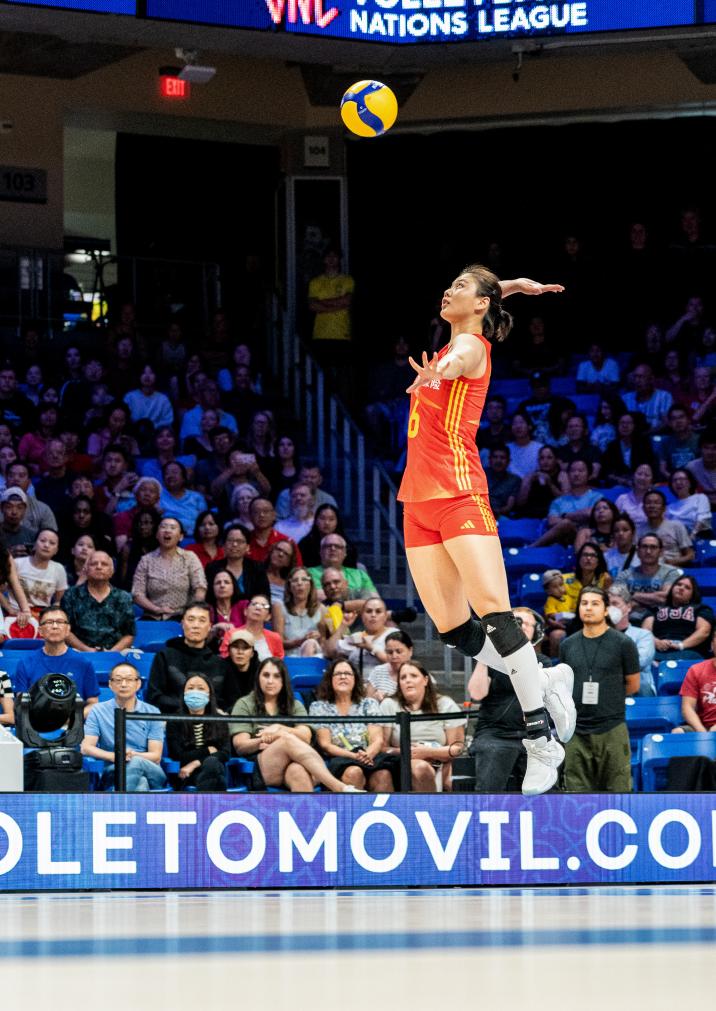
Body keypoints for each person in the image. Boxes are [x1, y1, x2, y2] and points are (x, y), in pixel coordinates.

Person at [398, 263, 574, 794]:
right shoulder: (457, 336)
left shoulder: (470, 347)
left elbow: (459, 360)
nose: (447, 289)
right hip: (417, 500)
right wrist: (514, 286)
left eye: (461, 287)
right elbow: (486, 294)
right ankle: (542, 678)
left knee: (496, 614)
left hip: (460, 494)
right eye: (450, 282)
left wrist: (439, 372)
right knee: (453, 629)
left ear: (479, 306)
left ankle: (541, 738)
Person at [229, 656, 361, 793]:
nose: (270, 681)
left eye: (276, 676)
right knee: (287, 740)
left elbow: (306, 736)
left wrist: (280, 730)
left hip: (295, 763)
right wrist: (263, 740)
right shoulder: (244, 704)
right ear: (258, 678)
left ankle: (311, 807)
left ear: (283, 680)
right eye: (266, 675)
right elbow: (240, 745)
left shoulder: (295, 704)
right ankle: (338, 787)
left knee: (298, 771)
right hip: (262, 767)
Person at [559, 587, 640, 792]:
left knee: (618, 792)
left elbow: (633, 685)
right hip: (576, 729)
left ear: (605, 610)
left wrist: (608, 698)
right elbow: (565, 684)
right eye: (584, 603)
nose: (588, 608)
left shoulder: (623, 643)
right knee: (576, 794)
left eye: (595, 604)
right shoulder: (567, 645)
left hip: (612, 727)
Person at [468, 607, 556, 791]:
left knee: (546, 789)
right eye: (515, 622)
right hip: (495, 734)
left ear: (536, 632)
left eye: (526, 624)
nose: (521, 627)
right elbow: (476, 694)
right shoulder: (490, 661)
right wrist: (485, 654)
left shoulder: (543, 661)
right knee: (489, 786)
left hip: (533, 734)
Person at [310, 659, 397, 792]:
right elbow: (326, 745)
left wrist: (367, 755)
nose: (343, 677)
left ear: (355, 679)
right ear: (330, 680)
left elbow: (377, 740)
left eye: (347, 673)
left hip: (369, 757)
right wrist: (354, 757)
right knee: (353, 772)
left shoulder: (369, 704)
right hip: (338, 759)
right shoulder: (319, 707)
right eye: (338, 674)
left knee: (383, 775)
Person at [379, 661, 466, 792]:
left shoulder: (445, 704)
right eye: (403, 677)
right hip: (400, 760)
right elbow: (382, 747)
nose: (408, 680)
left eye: (413, 676)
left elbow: (457, 748)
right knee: (420, 768)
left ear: (425, 680)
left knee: (451, 780)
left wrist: (427, 752)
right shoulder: (389, 704)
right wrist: (406, 752)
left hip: (441, 759)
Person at [81, 661, 167, 792]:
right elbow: (86, 748)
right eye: (118, 680)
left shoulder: (152, 712)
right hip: (113, 769)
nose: (123, 684)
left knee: (136, 763)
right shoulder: (98, 711)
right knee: (141, 784)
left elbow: (156, 755)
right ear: (110, 684)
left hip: (151, 771)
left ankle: (119, 799)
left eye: (129, 679)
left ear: (138, 684)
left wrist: (132, 755)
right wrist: (114, 756)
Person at [13, 605, 99, 716]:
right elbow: (21, 704)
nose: (54, 626)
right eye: (49, 622)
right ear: (40, 631)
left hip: (73, 723)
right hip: (36, 722)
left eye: (60, 622)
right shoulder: (26, 663)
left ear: (68, 630)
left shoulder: (83, 663)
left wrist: (72, 719)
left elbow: (93, 703)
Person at [146, 601, 229, 713]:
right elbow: (154, 696)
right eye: (191, 619)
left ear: (209, 626)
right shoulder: (165, 656)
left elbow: (228, 701)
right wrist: (190, 708)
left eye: (202, 620)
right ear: (182, 623)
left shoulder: (220, 663)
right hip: (172, 719)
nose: (196, 625)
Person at [132, 516, 207, 620]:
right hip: (152, 617)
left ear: (181, 536)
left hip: (182, 617)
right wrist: (157, 609)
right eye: (163, 527)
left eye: (172, 528)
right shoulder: (146, 560)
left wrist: (190, 612)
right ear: (157, 535)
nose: (167, 530)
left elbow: (200, 587)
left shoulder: (190, 557)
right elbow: (137, 594)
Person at [62, 550, 136, 652]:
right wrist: (87, 650)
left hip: (115, 653)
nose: (99, 567)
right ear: (86, 569)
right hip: (78, 652)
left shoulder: (123, 597)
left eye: (104, 564)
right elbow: (65, 629)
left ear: (112, 571)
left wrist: (110, 653)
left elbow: (129, 634)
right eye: (94, 564)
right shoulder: (71, 595)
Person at [166, 674, 230, 791]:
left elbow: (225, 753)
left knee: (212, 764)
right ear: (184, 693)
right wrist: (208, 750)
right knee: (217, 777)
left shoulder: (219, 720)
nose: (195, 692)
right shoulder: (174, 720)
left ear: (209, 694)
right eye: (190, 688)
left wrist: (195, 763)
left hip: (209, 767)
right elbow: (177, 755)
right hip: (186, 774)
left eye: (201, 688)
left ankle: (202, 800)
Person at [641, 575, 713, 662]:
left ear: (692, 594)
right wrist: (656, 642)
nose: (681, 588)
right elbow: (645, 631)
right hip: (657, 649)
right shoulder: (655, 609)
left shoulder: (701, 609)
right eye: (678, 584)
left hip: (688, 651)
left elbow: (704, 632)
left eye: (687, 587)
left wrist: (681, 645)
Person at [612, 533, 682, 620]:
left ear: (661, 552)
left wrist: (631, 595)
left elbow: (664, 597)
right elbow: (615, 597)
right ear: (638, 552)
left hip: (660, 621)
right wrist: (653, 598)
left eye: (653, 547)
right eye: (644, 547)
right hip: (629, 622)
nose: (648, 551)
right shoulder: (625, 574)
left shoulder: (671, 572)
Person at [607, 585, 657, 697]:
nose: (610, 608)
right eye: (607, 605)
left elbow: (639, 662)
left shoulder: (643, 635)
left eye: (615, 604)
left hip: (638, 689)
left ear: (628, 607)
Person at [205, 523, 270, 605]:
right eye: (230, 540)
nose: (234, 544)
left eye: (240, 541)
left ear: (247, 547)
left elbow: (264, 597)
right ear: (223, 545)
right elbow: (208, 598)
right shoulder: (212, 568)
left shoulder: (257, 568)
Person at [11, 528, 66, 615]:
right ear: (34, 544)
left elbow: (58, 601)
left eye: (52, 543)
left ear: (56, 550)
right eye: (42, 541)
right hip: (16, 614)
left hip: (42, 615)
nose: (46, 545)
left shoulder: (59, 569)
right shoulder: (17, 563)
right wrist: (10, 610)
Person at [636, 489, 694, 567]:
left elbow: (690, 555)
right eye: (648, 503)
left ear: (664, 508)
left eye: (656, 503)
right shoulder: (638, 530)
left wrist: (673, 562)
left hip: (672, 568)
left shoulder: (676, 526)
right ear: (643, 508)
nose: (652, 506)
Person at [276, 565, 326, 657]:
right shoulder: (279, 606)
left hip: (314, 655)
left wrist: (319, 638)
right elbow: (277, 642)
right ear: (289, 586)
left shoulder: (321, 609)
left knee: (311, 644)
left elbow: (324, 642)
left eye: (304, 579)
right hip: (289, 657)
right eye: (295, 580)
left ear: (310, 585)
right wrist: (301, 641)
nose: (299, 583)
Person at [307, 534, 377, 598]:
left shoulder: (360, 574)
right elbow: (316, 598)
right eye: (328, 546)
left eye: (337, 546)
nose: (333, 548)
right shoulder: (308, 573)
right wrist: (359, 594)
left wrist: (341, 602)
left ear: (345, 553)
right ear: (320, 551)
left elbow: (374, 599)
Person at [672, 631, 716, 733]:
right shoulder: (697, 670)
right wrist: (703, 733)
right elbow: (687, 707)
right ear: (712, 645)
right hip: (704, 727)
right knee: (677, 732)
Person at [601, 412, 657, 487]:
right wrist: (623, 481)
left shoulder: (644, 445)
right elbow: (608, 472)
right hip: (619, 484)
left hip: (641, 483)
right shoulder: (612, 446)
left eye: (629, 423)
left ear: (635, 426)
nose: (625, 426)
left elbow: (650, 467)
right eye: (622, 423)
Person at [298, 503, 358, 569]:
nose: (327, 522)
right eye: (322, 518)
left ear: (337, 522)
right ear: (316, 521)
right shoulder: (304, 545)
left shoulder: (347, 547)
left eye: (331, 519)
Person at [365, 629, 413, 702]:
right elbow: (367, 702)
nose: (394, 656)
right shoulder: (378, 671)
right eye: (390, 652)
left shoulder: (419, 674)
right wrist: (375, 699)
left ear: (410, 651)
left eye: (399, 652)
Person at [623, 363, 673, 433]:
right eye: (635, 377)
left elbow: (667, 423)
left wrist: (646, 433)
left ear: (651, 379)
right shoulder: (626, 398)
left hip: (656, 436)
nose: (637, 381)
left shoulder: (664, 396)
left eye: (641, 377)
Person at [666, 468, 713, 538]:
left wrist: (692, 536)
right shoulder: (669, 507)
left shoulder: (700, 498)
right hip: (678, 538)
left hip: (699, 536)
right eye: (674, 480)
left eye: (682, 479)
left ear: (690, 483)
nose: (678, 482)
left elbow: (703, 519)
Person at [484, 444, 521, 518]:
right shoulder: (481, 474)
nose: (498, 461)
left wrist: (495, 513)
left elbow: (508, 507)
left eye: (502, 458)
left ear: (508, 461)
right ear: (489, 459)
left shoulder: (514, 480)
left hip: (501, 516)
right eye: (495, 457)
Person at [603, 513, 639, 579]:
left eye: (625, 530)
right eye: (616, 531)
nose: (620, 533)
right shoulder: (606, 557)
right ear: (613, 535)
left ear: (633, 533)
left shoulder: (641, 556)